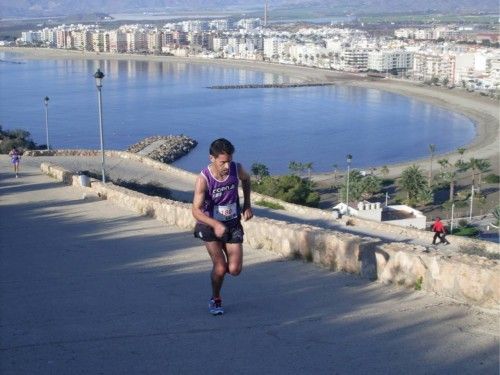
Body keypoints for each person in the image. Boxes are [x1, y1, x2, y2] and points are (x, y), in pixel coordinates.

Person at [192, 138, 253, 315]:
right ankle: (215, 298)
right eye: (222, 162)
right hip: (209, 226)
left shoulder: (236, 169)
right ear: (212, 158)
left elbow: (247, 180)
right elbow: (195, 211)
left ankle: (220, 278)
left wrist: (247, 205)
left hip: (232, 223)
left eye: (229, 161)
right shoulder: (204, 179)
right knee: (220, 267)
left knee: (234, 269)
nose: (227, 166)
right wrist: (215, 224)